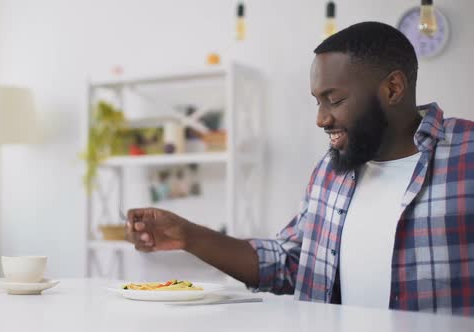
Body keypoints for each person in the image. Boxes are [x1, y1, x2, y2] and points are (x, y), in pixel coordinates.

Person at [125, 22, 474, 315]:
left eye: (334, 100)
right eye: (318, 101)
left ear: (393, 88)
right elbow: (291, 263)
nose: (322, 118)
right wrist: (187, 235)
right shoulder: (330, 170)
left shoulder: (466, 154)